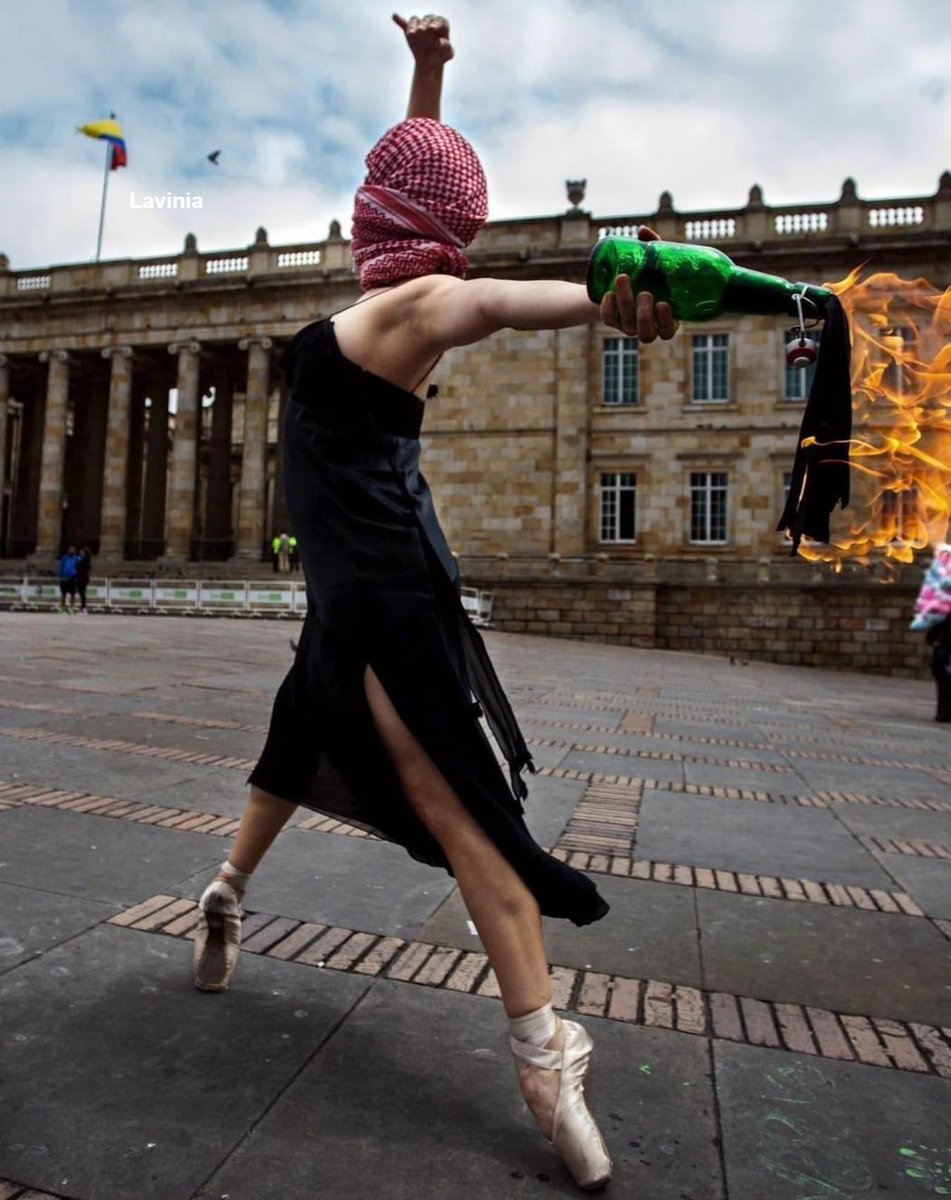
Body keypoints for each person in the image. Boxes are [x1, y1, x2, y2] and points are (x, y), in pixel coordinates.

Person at [190, 14, 676, 1190]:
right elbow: (470, 272)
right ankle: (541, 1053)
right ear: (445, 236)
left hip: (346, 597)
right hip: (394, 601)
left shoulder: (366, 321)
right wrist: (605, 286)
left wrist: (596, 292)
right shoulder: (413, 310)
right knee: (461, 819)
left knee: (306, 743)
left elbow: (458, 256)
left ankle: (227, 890)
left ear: (374, 222)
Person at [57, 545, 80, 612]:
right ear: (68, 551)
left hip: (72, 578)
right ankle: (62, 607)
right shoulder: (64, 558)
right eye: (70, 550)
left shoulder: (77, 558)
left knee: (72, 594)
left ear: (75, 551)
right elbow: (61, 566)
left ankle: (72, 607)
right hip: (64, 578)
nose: (71, 551)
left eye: (73, 550)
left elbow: (79, 567)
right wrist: (60, 575)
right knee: (63, 594)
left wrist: (77, 575)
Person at [75, 546, 92, 613]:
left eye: (81, 551)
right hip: (83, 578)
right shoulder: (86, 559)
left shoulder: (84, 560)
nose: (80, 552)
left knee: (82, 593)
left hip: (82, 578)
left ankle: (83, 607)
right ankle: (83, 607)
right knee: (82, 593)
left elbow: (81, 568)